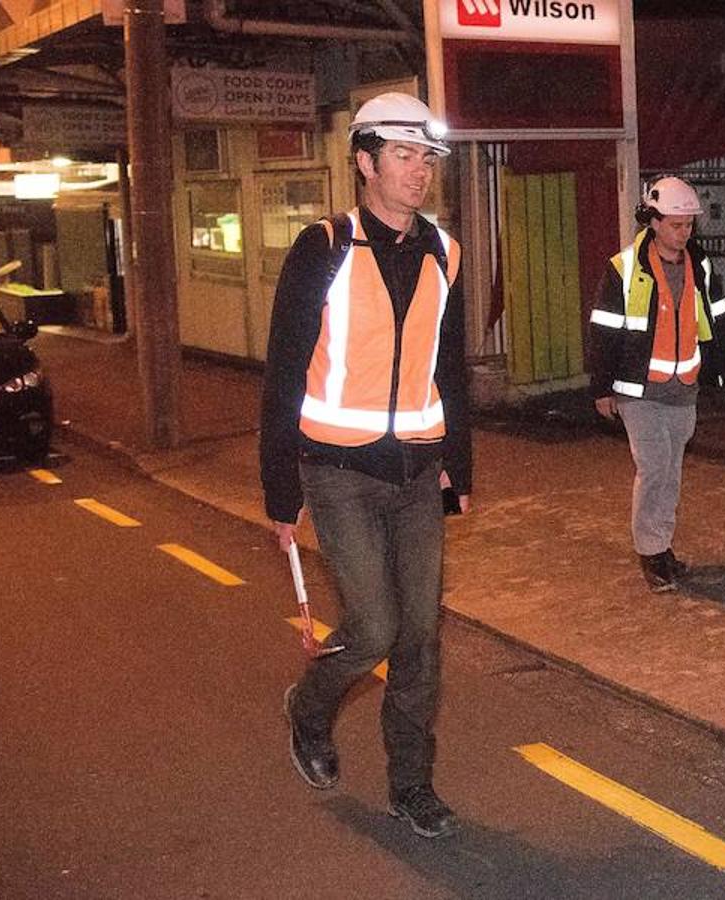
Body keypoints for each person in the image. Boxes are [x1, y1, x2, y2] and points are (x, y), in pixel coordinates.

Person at [259, 91, 471, 839]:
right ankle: (308, 708)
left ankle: (412, 785)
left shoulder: (445, 250)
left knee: (421, 640)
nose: (419, 172)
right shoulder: (322, 247)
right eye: (405, 156)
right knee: (376, 627)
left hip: (418, 472)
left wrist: (458, 465)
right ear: (364, 161)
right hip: (337, 473)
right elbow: (284, 370)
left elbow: (450, 364)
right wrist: (279, 490)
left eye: (427, 159)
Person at [587, 176, 725, 592]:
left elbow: (720, 320)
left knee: (671, 471)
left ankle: (663, 547)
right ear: (653, 221)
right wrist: (601, 387)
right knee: (655, 468)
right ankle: (652, 552)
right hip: (638, 390)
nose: (684, 232)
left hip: (683, 387)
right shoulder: (624, 268)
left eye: (689, 224)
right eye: (675, 224)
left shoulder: (702, 266)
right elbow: (604, 330)